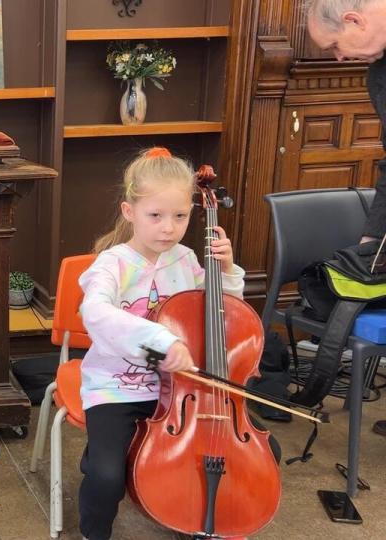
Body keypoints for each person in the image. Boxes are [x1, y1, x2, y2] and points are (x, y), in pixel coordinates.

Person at [76, 147, 249, 540]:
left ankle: (196, 518)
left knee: (235, 457)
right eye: (156, 215)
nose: (168, 228)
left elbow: (225, 320)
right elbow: (96, 313)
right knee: (106, 475)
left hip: (185, 392)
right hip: (116, 387)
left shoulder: (187, 260)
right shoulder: (111, 264)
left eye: (180, 216)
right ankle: (93, 532)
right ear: (129, 212)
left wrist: (226, 273)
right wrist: (162, 342)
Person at [305, 0, 386, 437]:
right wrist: (372, 238)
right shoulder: (379, 74)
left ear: (355, 20)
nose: (338, 58)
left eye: (336, 46)